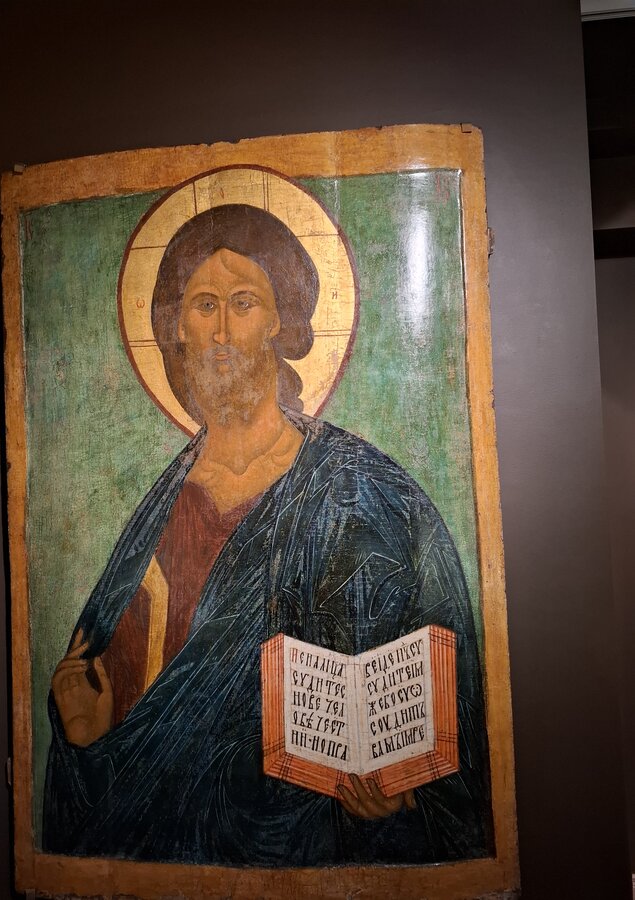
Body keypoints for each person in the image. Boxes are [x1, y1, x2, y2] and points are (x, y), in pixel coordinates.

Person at [43, 203, 493, 866]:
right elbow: (131, 710)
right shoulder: (162, 506)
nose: (222, 330)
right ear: (178, 327)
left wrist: (401, 798)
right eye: (203, 305)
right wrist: (85, 742)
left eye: (244, 303)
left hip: (306, 847)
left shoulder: (364, 489)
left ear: (279, 321)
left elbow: (439, 699)